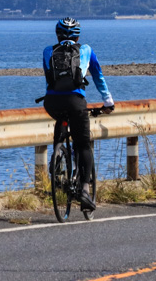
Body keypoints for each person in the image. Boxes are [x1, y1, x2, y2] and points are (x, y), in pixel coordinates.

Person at [41, 17, 115, 212]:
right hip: (76, 101)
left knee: (61, 118)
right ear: (78, 35)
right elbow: (98, 76)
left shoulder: (48, 51)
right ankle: (84, 189)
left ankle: (56, 159)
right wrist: (108, 102)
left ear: (57, 34)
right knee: (83, 146)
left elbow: (49, 77)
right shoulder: (86, 50)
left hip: (52, 102)